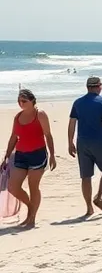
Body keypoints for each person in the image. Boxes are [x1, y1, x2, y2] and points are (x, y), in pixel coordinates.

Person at [67, 76, 102, 216]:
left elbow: (72, 123)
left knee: (86, 176)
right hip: (99, 141)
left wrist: (70, 142)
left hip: (82, 142)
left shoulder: (77, 103)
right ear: (98, 87)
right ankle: (99, 196)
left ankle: (89, 208)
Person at [3, 89, 55, 228]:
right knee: (13, 187)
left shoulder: (40, 115)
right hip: (20, 155)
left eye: (24, 101)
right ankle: (31, 208)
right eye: (19, 101)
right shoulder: (18, 117)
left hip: (38, 154)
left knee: (33, 187)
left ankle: (31, 218)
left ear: (32, 101)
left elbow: (48, 136)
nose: (21, 103)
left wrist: (52, 156)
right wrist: (7, 156)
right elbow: (14, 137)